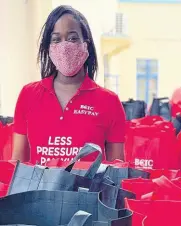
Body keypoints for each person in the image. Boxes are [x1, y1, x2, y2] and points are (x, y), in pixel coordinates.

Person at [12, 5, 126, 165]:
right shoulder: (28, 95)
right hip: (40, 190)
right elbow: (17, 166)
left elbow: (117, 170)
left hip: (88, 190)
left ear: (85, 44)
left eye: (72, 38)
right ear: (49, 48)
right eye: (56, 39)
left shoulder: (109, 101)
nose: (64, 46)